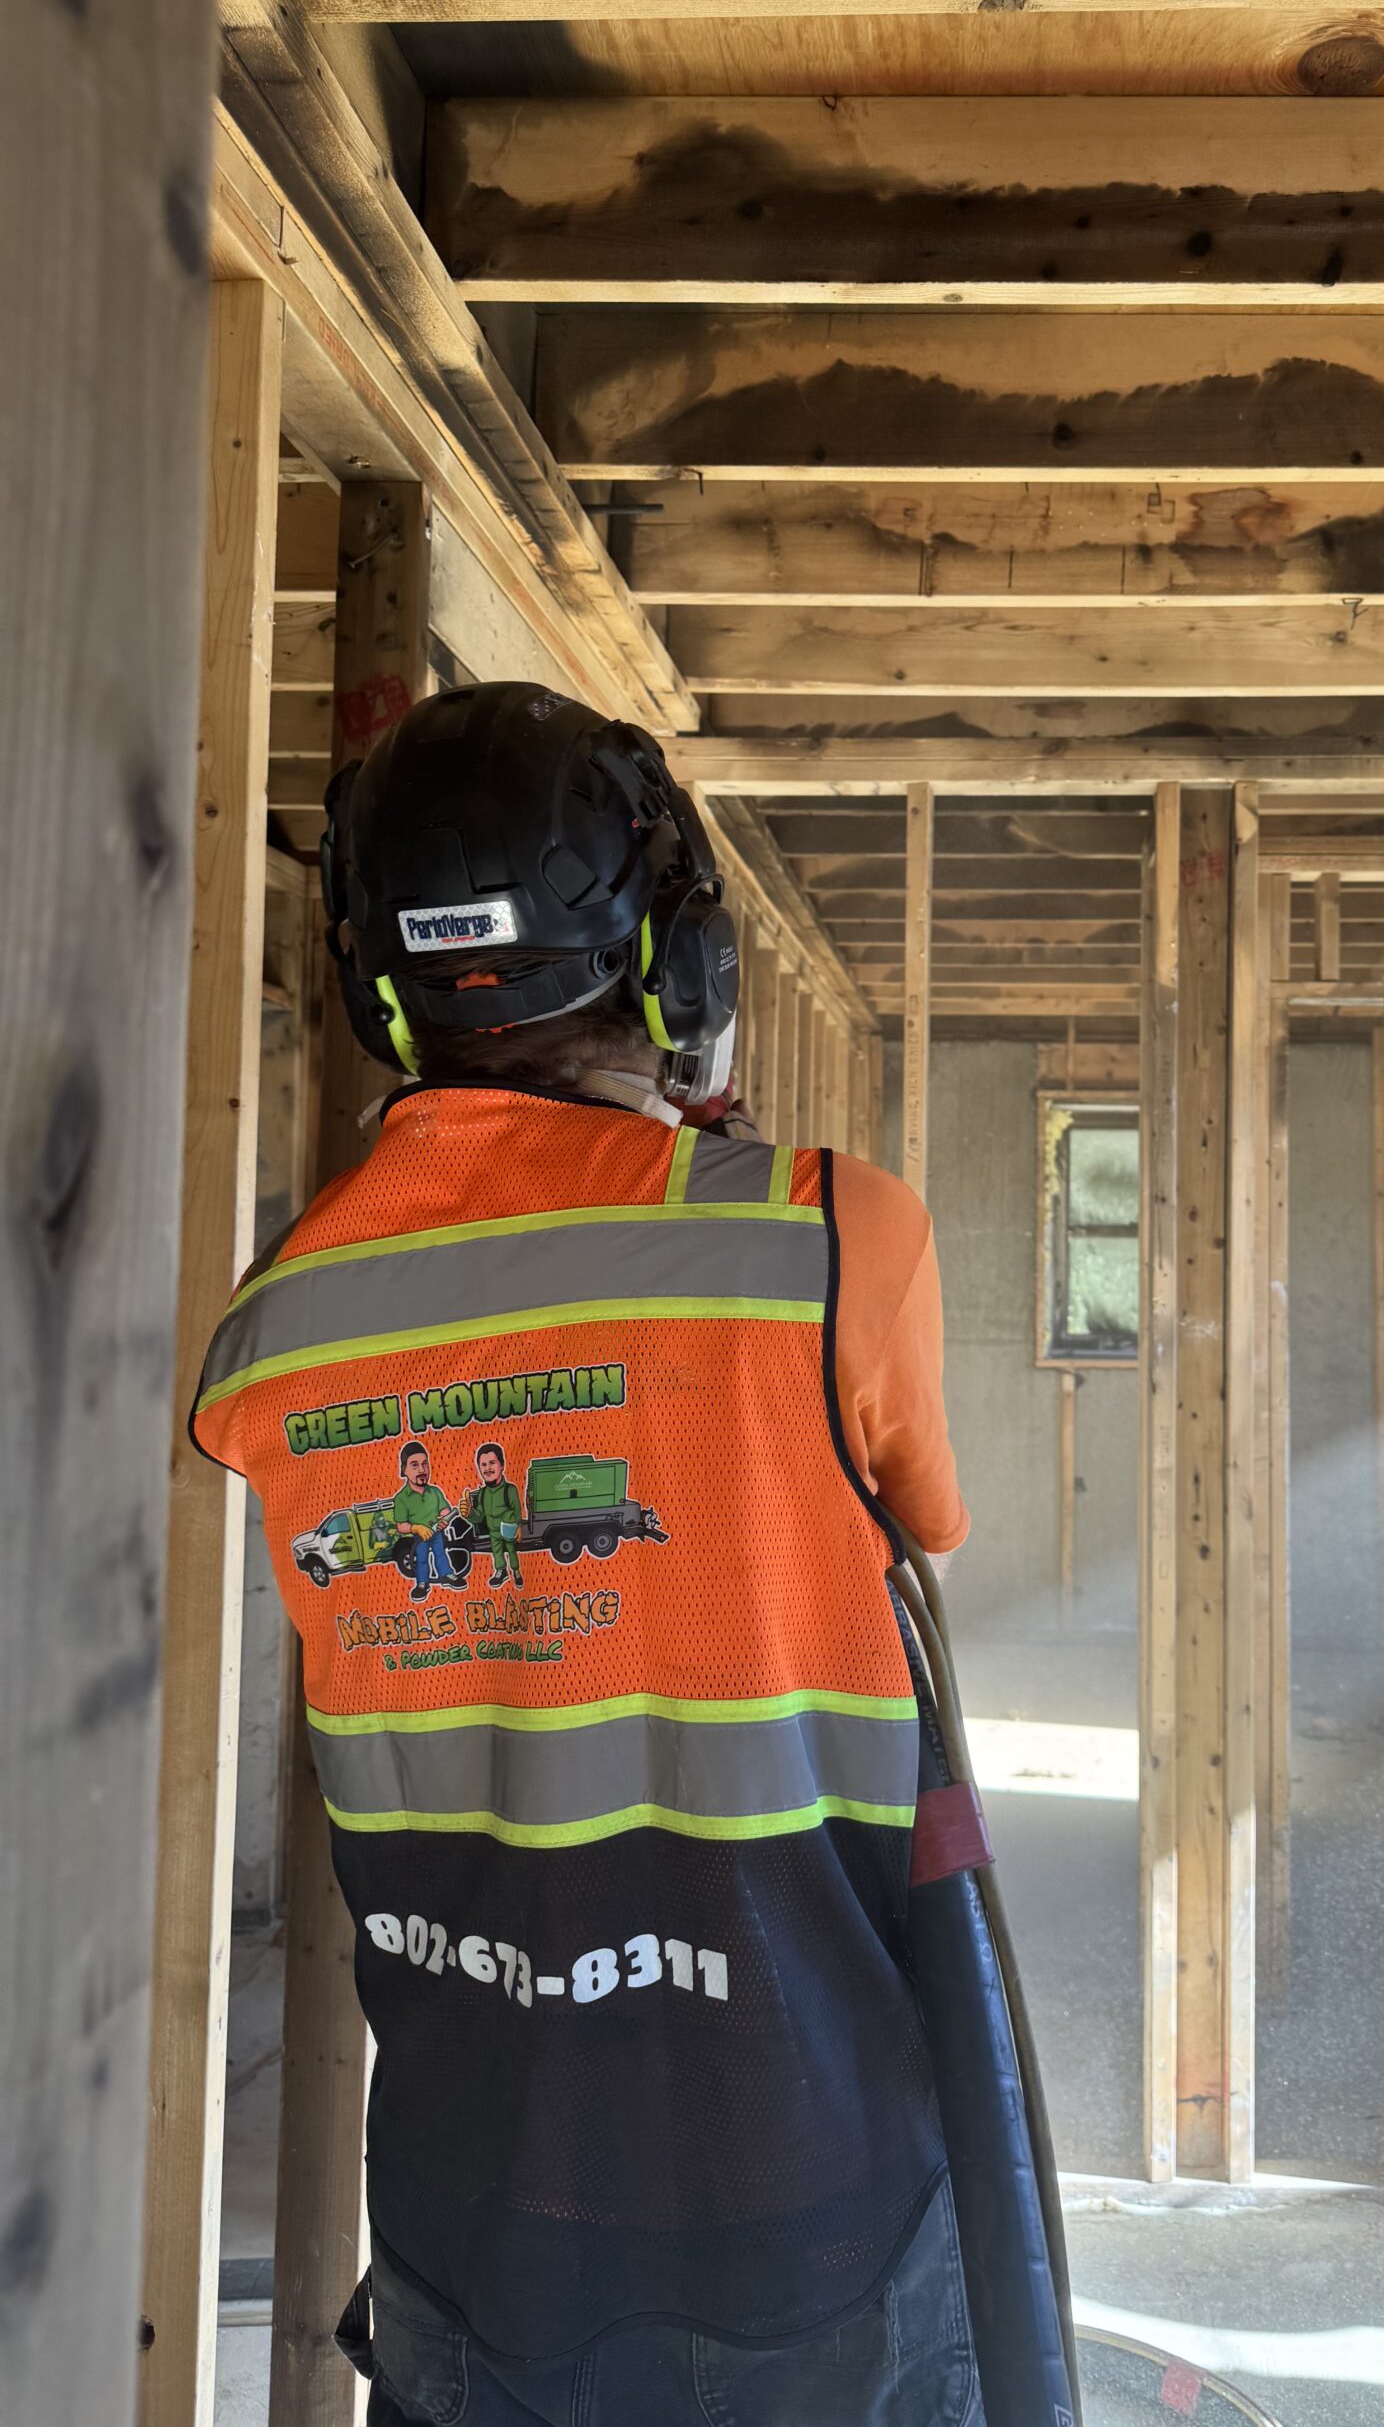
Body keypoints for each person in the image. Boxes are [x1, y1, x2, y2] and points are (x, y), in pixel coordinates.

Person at [192, 683, 975, 2427]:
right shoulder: (825, 1242)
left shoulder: (278, 1338)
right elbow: (920, 1525)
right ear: (682, 961)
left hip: (478, 2225)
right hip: (811, 2189)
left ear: (375, 989)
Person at [388, 1438, 463, 1601]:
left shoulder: (435, 1492)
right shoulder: (401, 1498)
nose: (422, 1469)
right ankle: (422, 1584)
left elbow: (445, 1509)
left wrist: (445, 1518)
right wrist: (417, 1528)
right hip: (420, 1537)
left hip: (437, 1533)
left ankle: (448, 1575)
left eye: (425, 1464)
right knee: (421, 1559)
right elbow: (401, 1526)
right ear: (404, 1470)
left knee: (440, 1554)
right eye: (414, 1465)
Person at [464, 1439, 524, 1589]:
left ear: (502, 1465)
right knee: (496, 1551)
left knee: (511, 1550)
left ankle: (516, 1572)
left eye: (492, 1463)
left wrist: (518, 1527)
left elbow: (517, 1510)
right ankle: (501, 1571)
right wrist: (469, 1513)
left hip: (508, 1528)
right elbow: (479, 1516)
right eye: (483, 1465)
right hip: (493, 1532)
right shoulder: (483, 1493)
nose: (488, 1468)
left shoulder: (509, 1489)